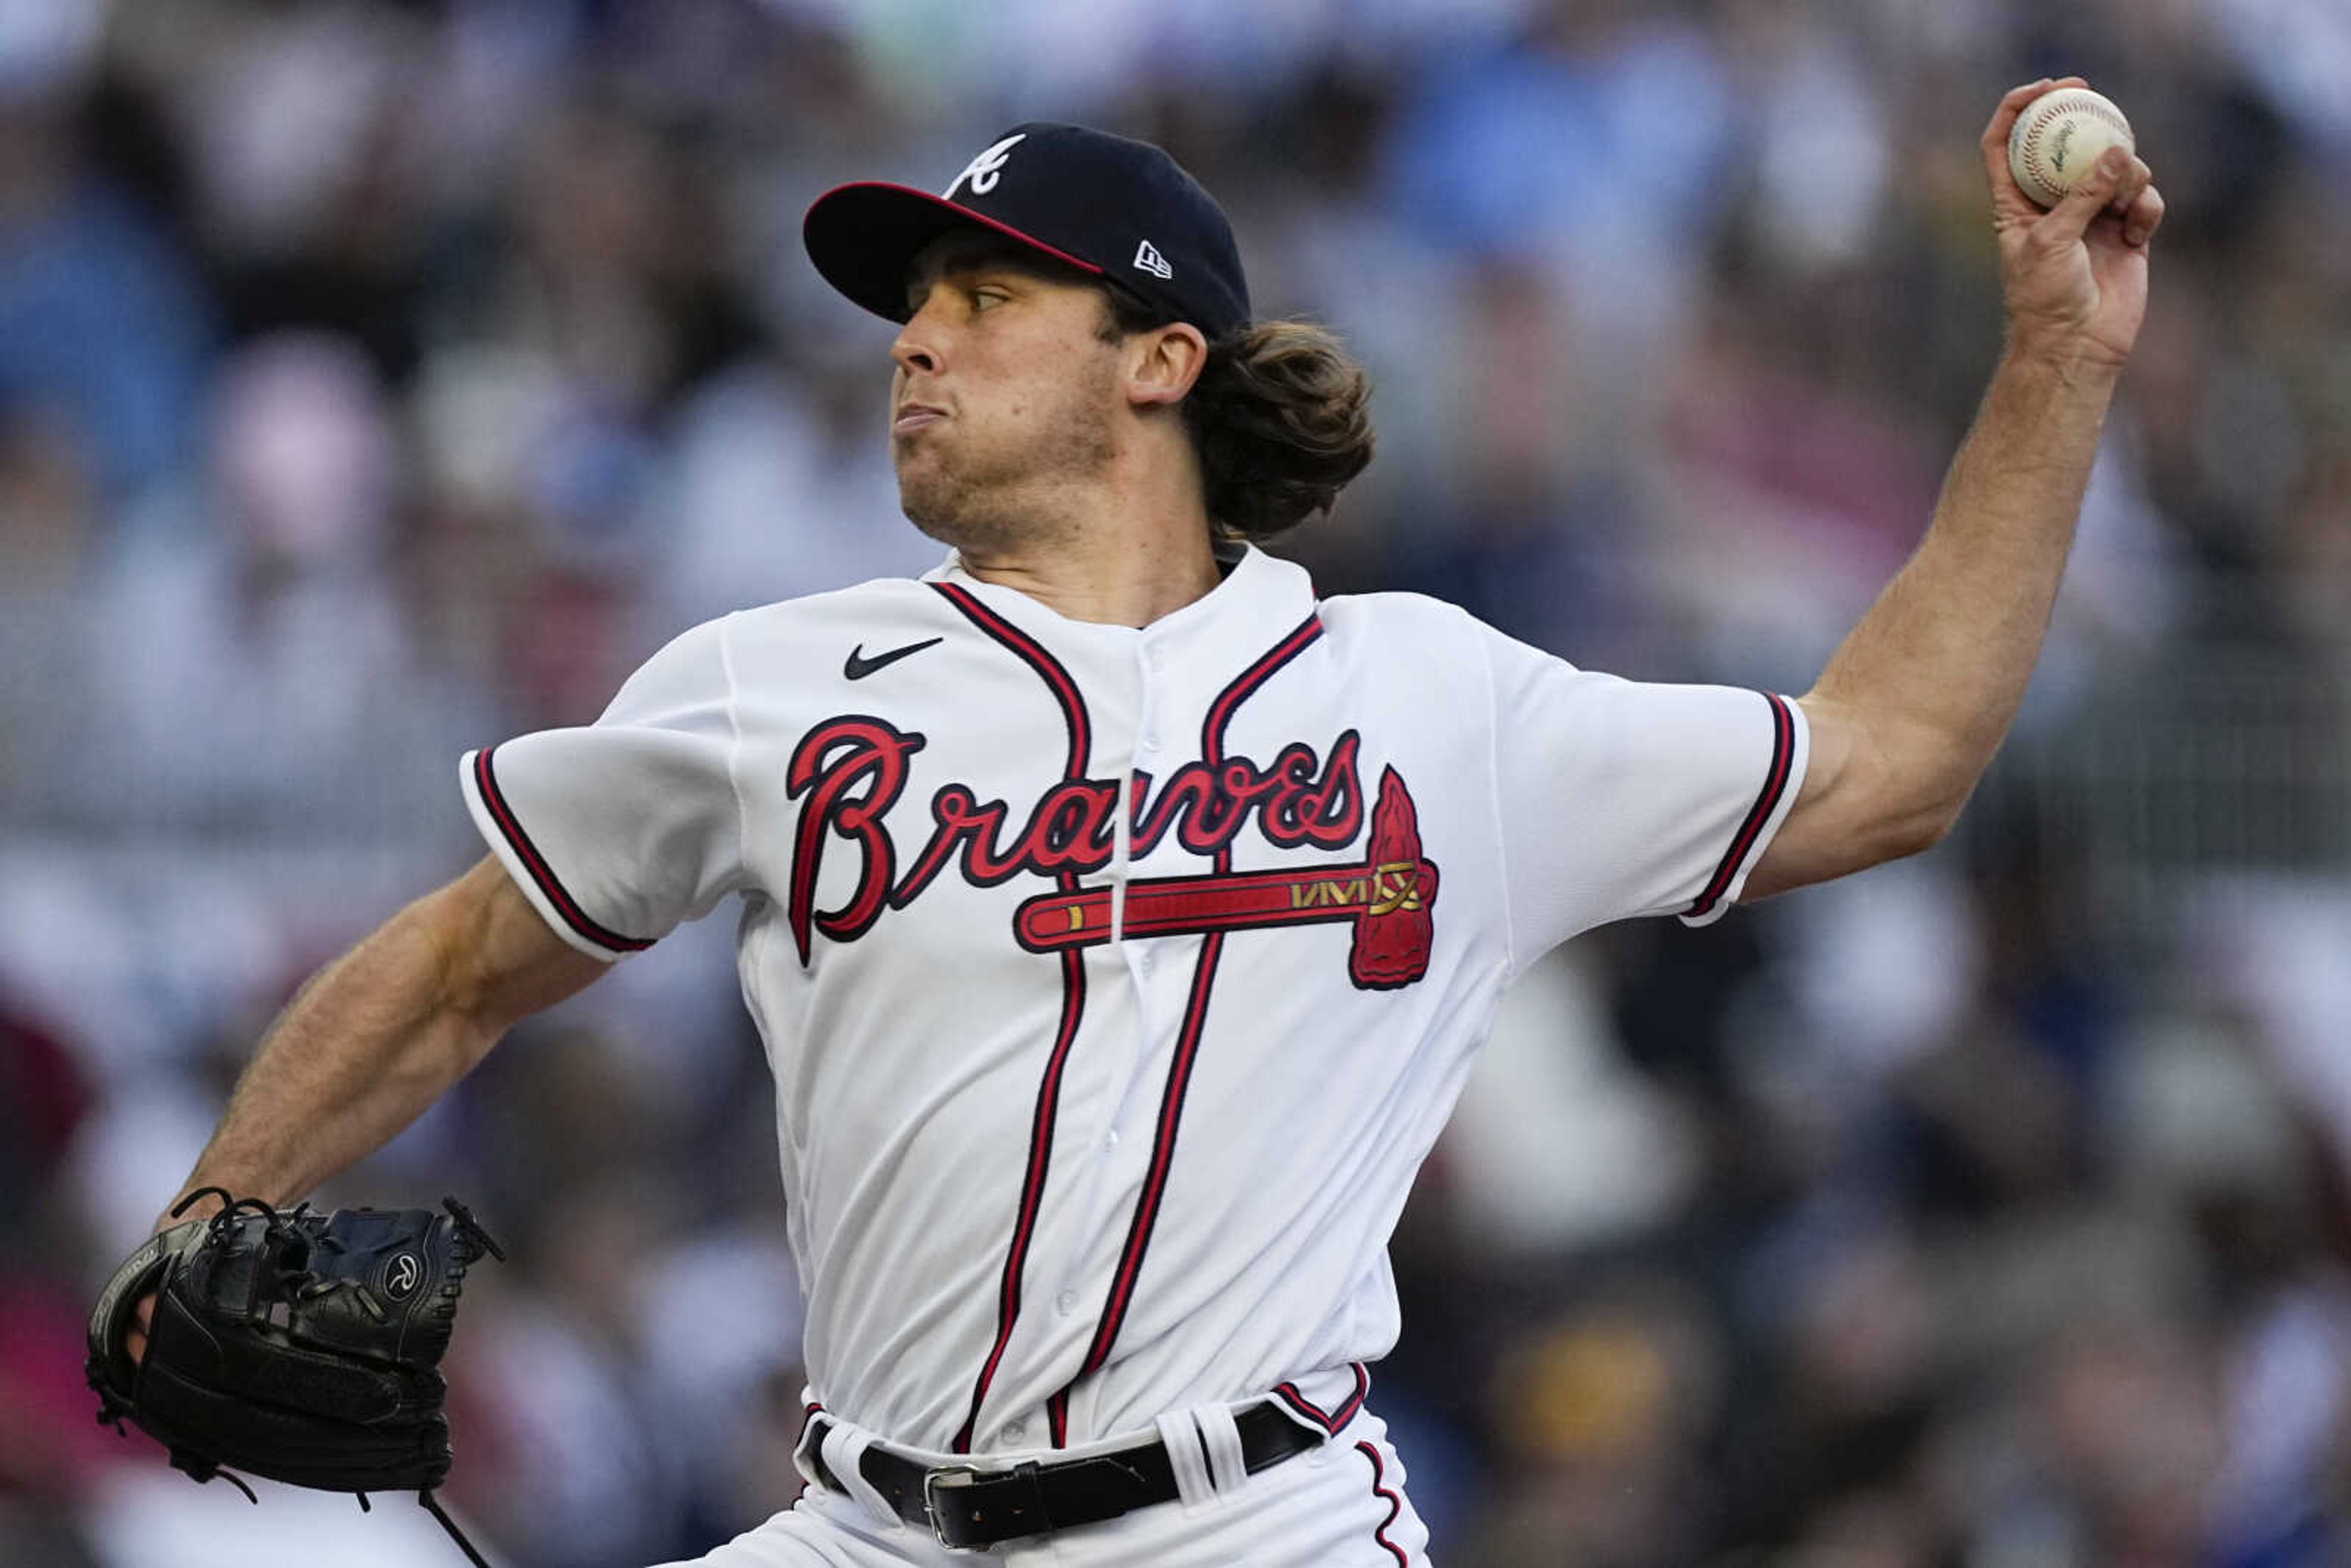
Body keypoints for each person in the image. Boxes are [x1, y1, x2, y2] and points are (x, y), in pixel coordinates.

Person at [133, 82, 2162, 1566]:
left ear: (1160, 359)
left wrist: (2061, 359)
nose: (916, 336)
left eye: (988, 297)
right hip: (861, 1528)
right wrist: (209, 1211)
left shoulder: (1435, 704)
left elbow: (1891, 755)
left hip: (1249, 1525)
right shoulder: (774, 684)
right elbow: (455, 966)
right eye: (910, 298)